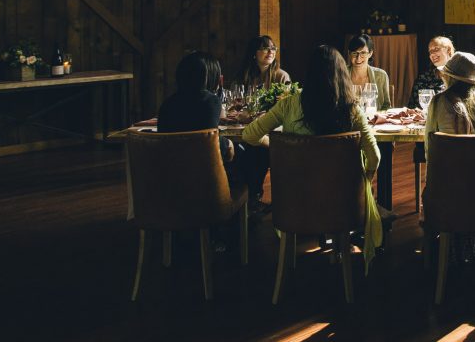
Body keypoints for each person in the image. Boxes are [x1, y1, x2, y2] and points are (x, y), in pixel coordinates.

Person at [242, 45, 383, 267]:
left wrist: (279, 146)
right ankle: (341, 246)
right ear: (341, 74)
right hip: (341, 203)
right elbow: (374, 156)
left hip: (295, 201)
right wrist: (366, 176)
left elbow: (249, 135)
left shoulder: (288, 105)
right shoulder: (352, 109)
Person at [422, 51, 475, 263]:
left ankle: (443, 249)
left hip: (450, 196)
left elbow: (430, 152)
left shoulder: (439, 102)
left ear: (450, 77)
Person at [158, 51, 232, 162]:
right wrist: (227, 144)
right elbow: (209, 141)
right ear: (210, 76)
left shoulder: (168, 103)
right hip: (202, 171)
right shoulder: (210, 100)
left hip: (171, 170)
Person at [347, 34, 392, 112]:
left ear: (370, 54)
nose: (358, 58)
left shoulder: (381, 76)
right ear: (349, 53)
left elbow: (386, 106)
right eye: (354, 53)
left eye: (363, 53)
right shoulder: (341, 74)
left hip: (374, 121)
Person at [407, 36, 454, 109]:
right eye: (430, 51)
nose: (432, 54)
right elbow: (412, 107)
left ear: (448, 50)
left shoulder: (458, 77)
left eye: (436, 49)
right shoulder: (423, 78)